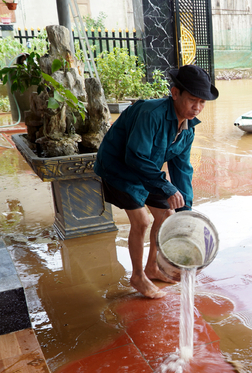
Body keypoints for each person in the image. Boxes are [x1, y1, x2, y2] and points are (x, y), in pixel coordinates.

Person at [94, 65, 219, 298]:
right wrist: (166, 186)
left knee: (167, 216)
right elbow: (135, 156)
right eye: (193, 100)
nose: (198, 108)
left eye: (202, 102)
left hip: (147, 169)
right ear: (174, 93)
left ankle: (152, 268)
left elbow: (182, 169)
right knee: (141, 221)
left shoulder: (188, 129)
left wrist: (186, 211)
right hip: (118, 166)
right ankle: (138, 276)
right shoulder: (151, 114)